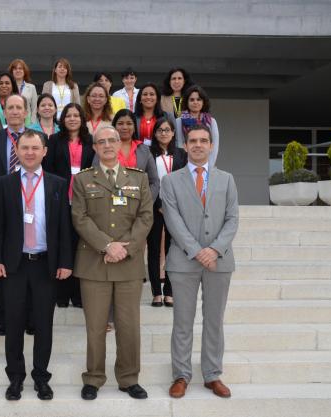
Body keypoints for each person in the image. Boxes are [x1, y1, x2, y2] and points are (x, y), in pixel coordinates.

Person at [0, 129, 73, 401]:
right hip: (13, 265)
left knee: (43, 325)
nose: (29, 152)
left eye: (35, 148)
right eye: (24, 147)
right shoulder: (4, 183)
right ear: (17, 151)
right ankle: (15, 378)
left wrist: (65, 261)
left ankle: (41, 377)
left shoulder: (58, 184)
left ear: (44, 151)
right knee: (13, 324)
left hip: (45, 264)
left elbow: (64, 227)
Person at [71, 126, 153, 400]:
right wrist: (107, 245)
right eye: (100, 141)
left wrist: (124, 248)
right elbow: (80, 218)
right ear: (94, 148)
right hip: (95, 263)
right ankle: (93, 378)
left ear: (120, 144)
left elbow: (145, 217)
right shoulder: (83, 180)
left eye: (111, 140)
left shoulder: (138, 179)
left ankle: (129, 378)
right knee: (95, 327)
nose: (106, 145)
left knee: (129, 326)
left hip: (128, 264)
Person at [160, 124, 238, 399]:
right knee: (183, 320)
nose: (198, 145)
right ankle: (181, 374)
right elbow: (172, 220)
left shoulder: (226, 179)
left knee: (214, 320)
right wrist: (197, 251)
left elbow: (232, 219)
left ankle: (212, 374)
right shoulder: (170, 181)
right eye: (193, 141)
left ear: (211, 145)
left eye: (204, 140)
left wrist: (214, 250)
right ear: (185, 145)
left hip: (219, 261)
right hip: (183, 261)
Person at [0, 94, 40, 336]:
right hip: (0, 208)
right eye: (10, 107)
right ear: (4, 111)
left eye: (19, 107)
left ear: (27, 112)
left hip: (32, 207)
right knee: (1, 264)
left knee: (30, 267)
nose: (15, 111)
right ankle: (2, 318)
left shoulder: (38, 139)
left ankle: (30, 318)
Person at [43, 103, 94, 308]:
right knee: (62, 244)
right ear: (62, 119)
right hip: (60, 199)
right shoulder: (54, 140)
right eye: (68, 116)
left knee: (80, 247)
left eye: (76, 115)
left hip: (85, 200)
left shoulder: (91, 141)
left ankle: (78, 295)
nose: (72, 119)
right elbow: (49, 169)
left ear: (82, 119)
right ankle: (61, 294)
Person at [147, 117, 187, 308]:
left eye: (167, 130)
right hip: (154, 207)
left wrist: (171, 204)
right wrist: (158, 204)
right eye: (160, 130)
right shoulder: (148, 153)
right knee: (154, 249)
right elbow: (147, 181)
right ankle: (156, 292)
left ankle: (169, 292)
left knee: (173, 250)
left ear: (173, 133)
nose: (164, 133)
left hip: (175, 208)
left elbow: (185, 182)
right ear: (155, 133)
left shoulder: (181, 154)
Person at [110, 109, 160, 200]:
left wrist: (145, 204)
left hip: (139, 206)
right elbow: (97, 179)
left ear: (134, 127)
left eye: (129, 123)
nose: (125, 127)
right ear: (114, 126)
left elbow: (154, 182)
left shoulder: (144, 150)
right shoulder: (105, 148)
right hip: (111, 207)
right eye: (120, 123)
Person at [175, 85, 220, 167]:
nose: (195, 102)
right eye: (192, 100)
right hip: (185, 165)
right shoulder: (179, 121)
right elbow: (179, 145)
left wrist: (208, 166)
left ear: (203, 102)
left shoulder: (211, 122)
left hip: (207, 165)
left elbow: (214, 146)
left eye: (198, 99)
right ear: (187, 102)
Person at [134, 82, 170, 147]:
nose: (148, 97)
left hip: (161, 154)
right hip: (139, 154)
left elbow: (174, 140)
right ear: (140, 99)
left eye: (152, 94)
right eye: (145, 94)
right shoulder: (133, 117)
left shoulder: (167, 116)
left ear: (157, 99)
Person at [9, 58, 38, 123]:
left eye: (20, 68)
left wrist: (33, 123)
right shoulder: (8, 87)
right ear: (12, 72)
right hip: (11, 120)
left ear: (24, 71)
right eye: (15, 69)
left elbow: (34, 108)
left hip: (27, 122)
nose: (18, 70)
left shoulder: (31, 87)